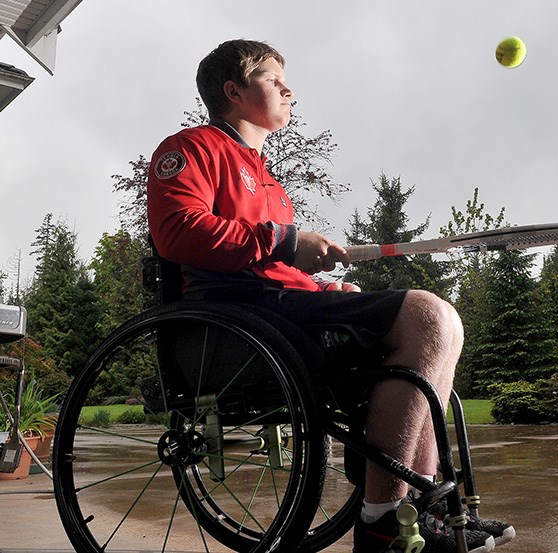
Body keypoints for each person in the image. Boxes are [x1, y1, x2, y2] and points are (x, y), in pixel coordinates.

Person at [147, 39, 514, 553]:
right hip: (236, 321)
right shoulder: (190, 148)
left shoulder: (268, 180)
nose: (288, 89)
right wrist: (286, 240)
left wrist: (323, 287)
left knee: (432, 329)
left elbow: (273, 264)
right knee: (429, 316)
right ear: (234, 90)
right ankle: (384, 520)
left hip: (279, 309)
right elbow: (179, 233)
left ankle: (418, 511)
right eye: (274, 79)